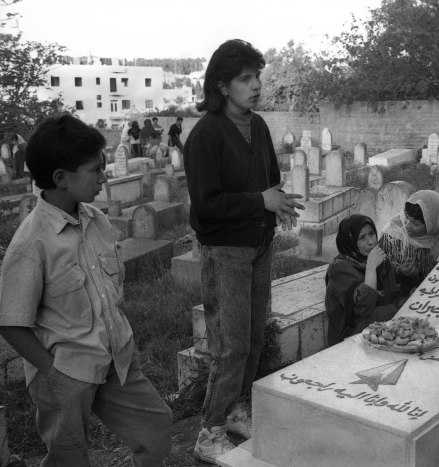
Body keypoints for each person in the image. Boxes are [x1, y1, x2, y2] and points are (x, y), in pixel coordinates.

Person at [0, 114, 172, 467]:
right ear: (61, 178)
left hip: (117, 359)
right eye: (95, 170)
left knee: (155, 428)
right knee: (69, 458)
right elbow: (11, 322)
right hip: (65, 373)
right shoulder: (32, 242)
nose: (103, 176)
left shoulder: (97, 220)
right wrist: (53, 372)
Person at [184, 39, 304, 464]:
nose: (255, 86)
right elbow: (207, 205)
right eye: (245, 79)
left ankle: (235, 409)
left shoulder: (258, 126)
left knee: (253, 338)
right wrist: (262, 203)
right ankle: (208, 432)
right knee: (230, 345)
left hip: (258, 245)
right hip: (226, 252)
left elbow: (267, 181)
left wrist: (279, 203)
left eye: (257, 77)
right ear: (220, 86)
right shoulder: (205, 136)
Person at [325, 215, 405, 346]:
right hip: (351, 337)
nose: (371, 242)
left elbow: (393, 295)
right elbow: (363, 309)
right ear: (350, 242)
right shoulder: (339, 269)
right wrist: (371, 268)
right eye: (362, 238)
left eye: (372, 234)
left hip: (384, 329)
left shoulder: (381, 261)